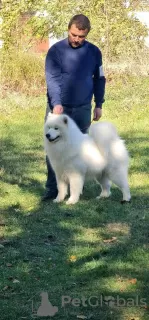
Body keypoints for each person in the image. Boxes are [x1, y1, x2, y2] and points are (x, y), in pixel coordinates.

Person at [42, 14, 106, 201]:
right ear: (68, 29)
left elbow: (99, 78)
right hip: (59, 109)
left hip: (83, 108)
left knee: (81, 149)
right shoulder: (56, 51)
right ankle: (53, 189)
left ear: (86, 34)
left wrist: (99, 104)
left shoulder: (94, 52)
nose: (77, 39)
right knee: (53, 148)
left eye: (81, 36)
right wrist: (56, 104)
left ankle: (78, 187)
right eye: (73, 35)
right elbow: (52, 79)